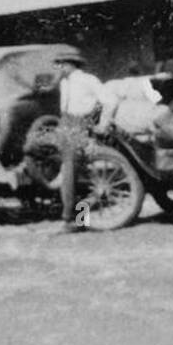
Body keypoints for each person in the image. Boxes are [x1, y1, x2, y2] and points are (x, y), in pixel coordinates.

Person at [54, 50, 118, 234]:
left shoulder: (87, 80)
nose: (59, 68)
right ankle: (81, 220)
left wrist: (103, 124)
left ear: (70, 64)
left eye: (61, 64)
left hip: (80, 126)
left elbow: (110, 100)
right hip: (66, 126)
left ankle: (70, 221)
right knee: (74, 175)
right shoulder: (64, 83)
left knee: (71, 174)